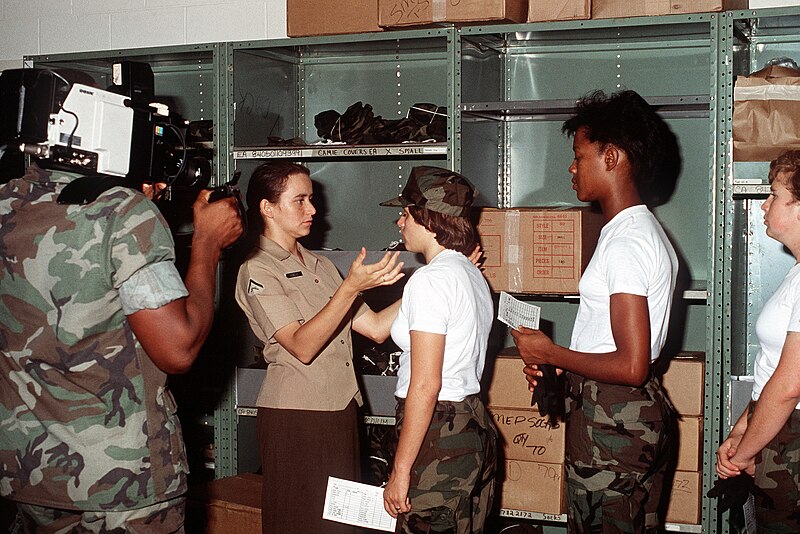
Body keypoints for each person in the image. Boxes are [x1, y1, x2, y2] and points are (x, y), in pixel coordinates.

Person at [0, 161, 243, 532]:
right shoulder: (122, 212)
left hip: (29, 473)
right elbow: (178, 348)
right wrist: (206, 242)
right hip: (122, 487)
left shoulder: (9, 199)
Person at [512, 90, 680, 533]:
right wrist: (562, 371)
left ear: (611, 157)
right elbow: (612, 347)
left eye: (578, 155)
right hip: (613, 418)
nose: (571, 167)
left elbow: (630, 365)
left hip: (614, 427)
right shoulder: (629, 231)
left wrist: (550, 353)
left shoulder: (626, 242)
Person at [233, 160, 405, 534]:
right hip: (297, 417)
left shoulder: (319, 264)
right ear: (267, 208)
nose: (312, 210)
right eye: (299, 201)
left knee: (341, 526)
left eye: (311, 199)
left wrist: (432, 282)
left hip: (340, 409)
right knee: (302, 522)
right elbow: (301, 345)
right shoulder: (258, 269)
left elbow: (375, 328)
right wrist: (350, 288)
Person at [379, 166, 498, 534]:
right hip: (471, 425)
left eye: (405, 213)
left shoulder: (430, 281)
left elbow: (426, 384)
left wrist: (400, 471)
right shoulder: (470, 275)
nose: (399, 222)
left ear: (427, 218)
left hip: (437, 433)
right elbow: (375, 327)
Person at [716, 150, 800, 533]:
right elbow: (771, 372)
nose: (764, 204)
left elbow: (788, 385)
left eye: (775, 195)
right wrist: (740, 433)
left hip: (791, 441)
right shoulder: (796, 275)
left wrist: (744, 453)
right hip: (775, 432)